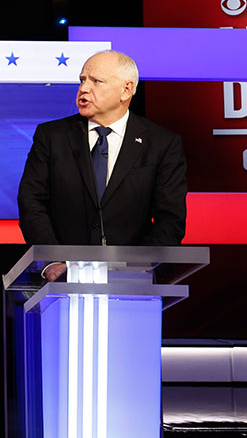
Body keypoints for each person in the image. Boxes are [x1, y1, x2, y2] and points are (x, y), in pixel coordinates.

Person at [17, 50, 187, 279]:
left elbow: (170, 219)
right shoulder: (51, 136)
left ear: (126, 90)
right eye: (82, 80)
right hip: (62, 280)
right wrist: (52, 260)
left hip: (134, 283)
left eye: (96, 81)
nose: (84, 89)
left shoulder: (162, 144)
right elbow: (31, 202)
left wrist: (140, 267)